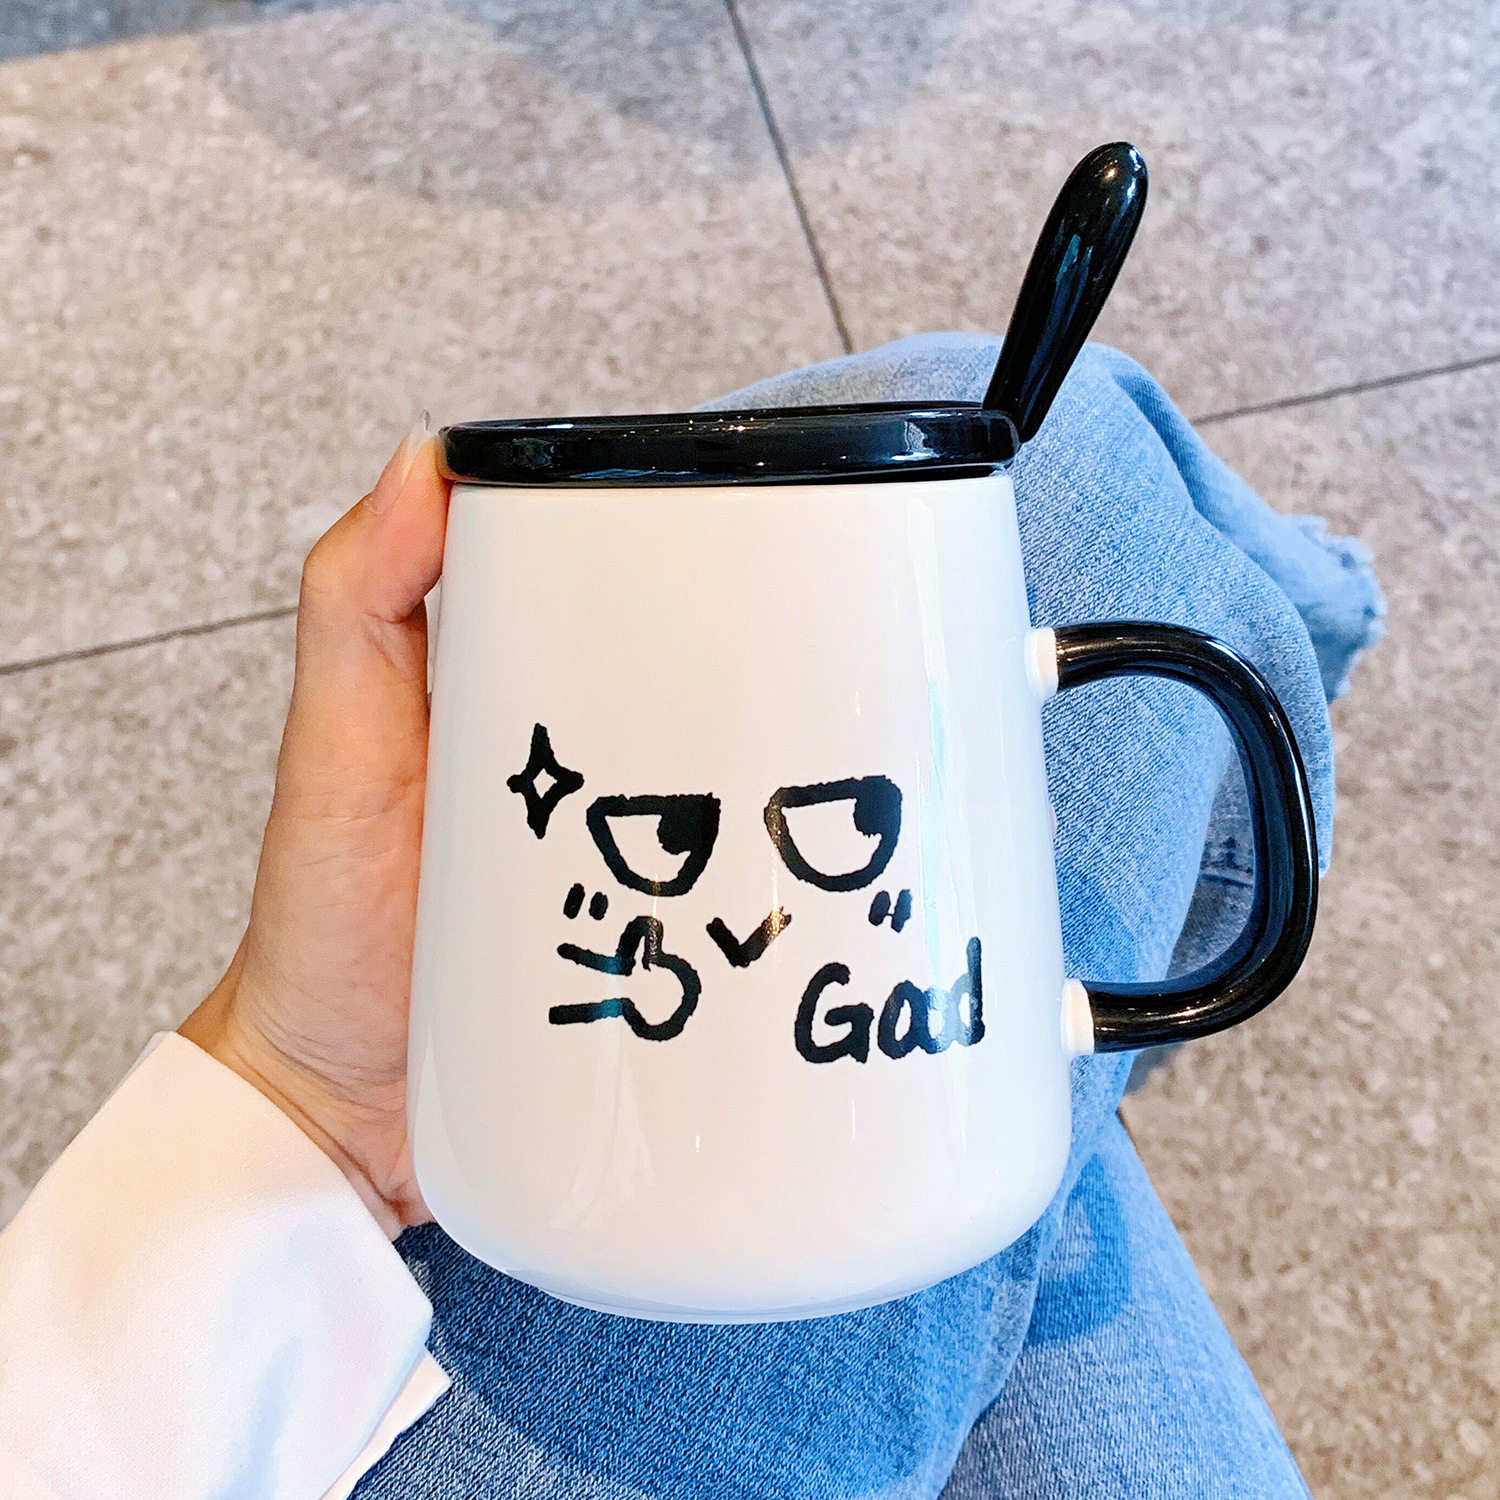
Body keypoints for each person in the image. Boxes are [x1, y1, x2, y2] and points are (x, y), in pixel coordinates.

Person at [0, 337, 1383, 1499]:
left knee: (1065, 453)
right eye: (661, 843)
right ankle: (1302, 639)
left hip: (179, 1369)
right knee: (1079, 452)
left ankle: (1113, 1004)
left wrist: (292, 1079)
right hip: (309, 1381)